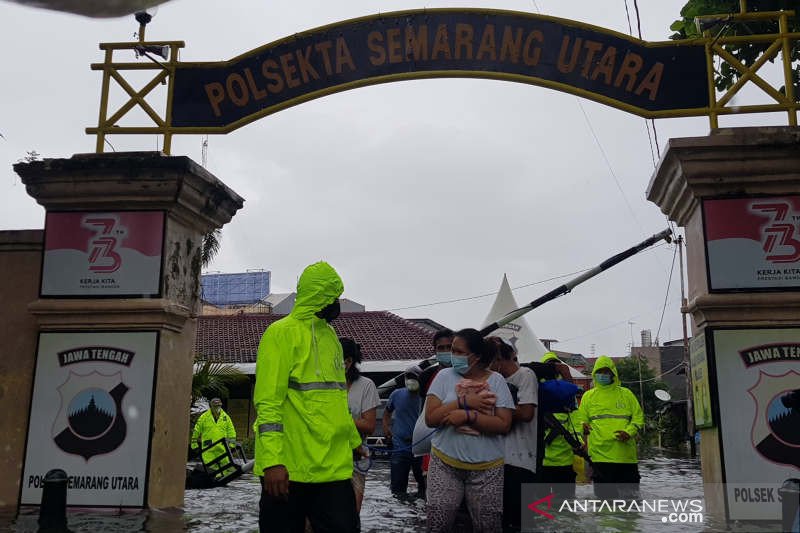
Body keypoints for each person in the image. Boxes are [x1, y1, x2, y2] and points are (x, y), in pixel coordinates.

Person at [253, 261, 362, 533]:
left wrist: (353, 441)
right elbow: (268, 403)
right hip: (289, 469)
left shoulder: (331, 337)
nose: (336, 303)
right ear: (319, 296)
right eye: (332, 297)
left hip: (333, 468)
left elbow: (337, 398)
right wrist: (272, 461)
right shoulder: (280, 334)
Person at [425, 328, 514, 533]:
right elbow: (431, 418)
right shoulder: (444, 376)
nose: (452, 356)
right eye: (452, 351)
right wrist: (463, 402)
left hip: (487, 469)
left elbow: (503, 424)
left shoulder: (496, 381)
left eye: (458, 352)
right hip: (445, 463)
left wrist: (468, 416)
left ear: (477, 357)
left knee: (488, 526)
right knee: (438, 524)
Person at [575, 355, 644, 499]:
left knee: (631, 503)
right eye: (600, 372)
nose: (603, 375)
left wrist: (629, 432)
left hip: (625, 457)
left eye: (606, 372)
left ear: (613, 374)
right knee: (604, 503)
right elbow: (579, 420)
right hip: (600, 457)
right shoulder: (588, 396)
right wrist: (583, 427)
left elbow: (638, 418)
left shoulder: (626, 394)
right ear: (594, 374)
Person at [489, 337, 538, 533]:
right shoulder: (494, 381)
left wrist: (496, 413)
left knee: (518, 521)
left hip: (521, 460)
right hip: (497, 459)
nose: (491, 365)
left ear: (503, 358)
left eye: (493, 360)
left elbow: (526, 413)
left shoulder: (525, 375)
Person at [340, 337, 381, 514]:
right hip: (323, 455)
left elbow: (370, 425)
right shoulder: (322, 384)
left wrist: (339, 419)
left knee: (351, 513)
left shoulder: (366, 385)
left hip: (355, 454)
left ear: (348, 362)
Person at [539, 352, 583, 499]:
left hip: (564, 462)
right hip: (541, 462)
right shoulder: (535, 390)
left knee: (565, 506)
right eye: (549, 366)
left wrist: (580, 442)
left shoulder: (567, 395)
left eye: (554, 367)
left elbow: (576, 420)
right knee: (541, 507)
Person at [383, 365, 426, 498]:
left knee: (424, 488)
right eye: (408, 377)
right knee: (397, 490)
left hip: (421, 449)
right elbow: (386, 413)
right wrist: (386, 429)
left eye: (414, 377)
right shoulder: (396, 394)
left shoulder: (427, 396)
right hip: (399, 448)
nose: (410, 380)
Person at [190, 397, 237, 480]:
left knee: (225, 465)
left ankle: (222, 479)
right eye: (215, 406)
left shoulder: (226, 418)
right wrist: (194, 446)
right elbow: (196, 432)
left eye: (218, 406)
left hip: (222, 447)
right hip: (208, 447)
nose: (217, 408)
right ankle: (212, 479)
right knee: (210, 466)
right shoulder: (204, 417)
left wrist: (232, 445)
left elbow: (231, 432)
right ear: (211, 406)